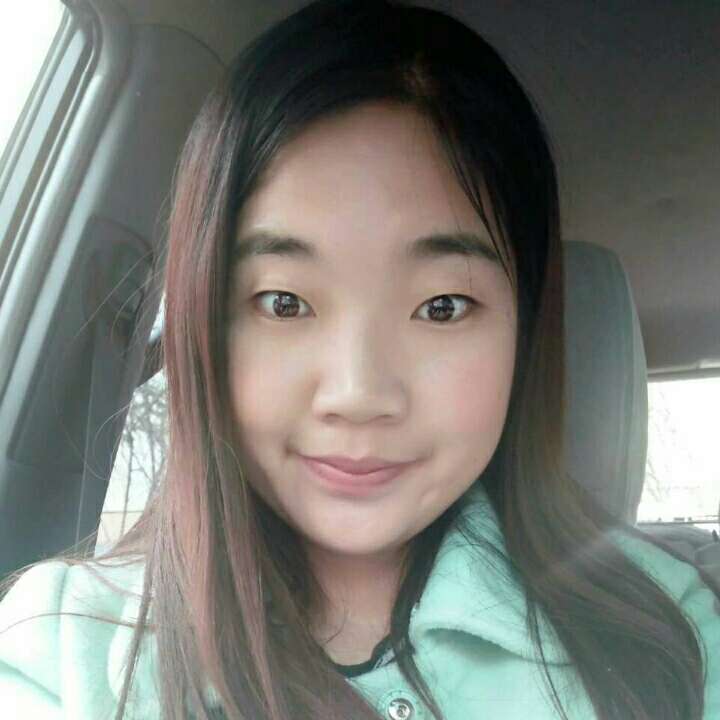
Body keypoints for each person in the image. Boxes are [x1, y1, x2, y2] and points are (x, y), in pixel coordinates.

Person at [0, 1, 718, 718]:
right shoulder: (66, 651)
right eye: (284, 302)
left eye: (442, 306)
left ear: (523, 336)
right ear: (204, 321)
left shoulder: (670, 637)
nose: (357, 393)